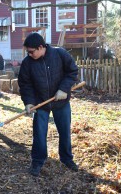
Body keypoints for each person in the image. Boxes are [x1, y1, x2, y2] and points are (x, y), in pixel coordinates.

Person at [18, 33, 79, 176]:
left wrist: (64, 89)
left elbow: (72, 72)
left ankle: (66, 159)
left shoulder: (60, 54)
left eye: (31, 51)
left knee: (64, 132)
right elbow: (25, 84)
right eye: (28, 52)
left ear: (41, 47)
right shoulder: (28, 63)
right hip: (41, 104)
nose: (29, 54)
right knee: (39, 134)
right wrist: (29, 102)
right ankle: (37, 161)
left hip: (61, 102)